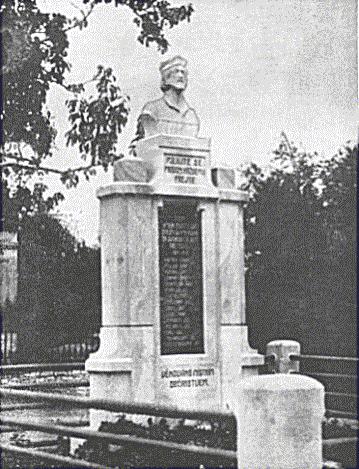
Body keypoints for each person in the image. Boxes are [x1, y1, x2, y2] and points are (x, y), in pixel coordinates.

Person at [139, 56, 200, 137]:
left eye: (183, 72)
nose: (181, 76)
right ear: (166, 78)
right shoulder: (152, 110)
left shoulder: (191, 115)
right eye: (176, 71)